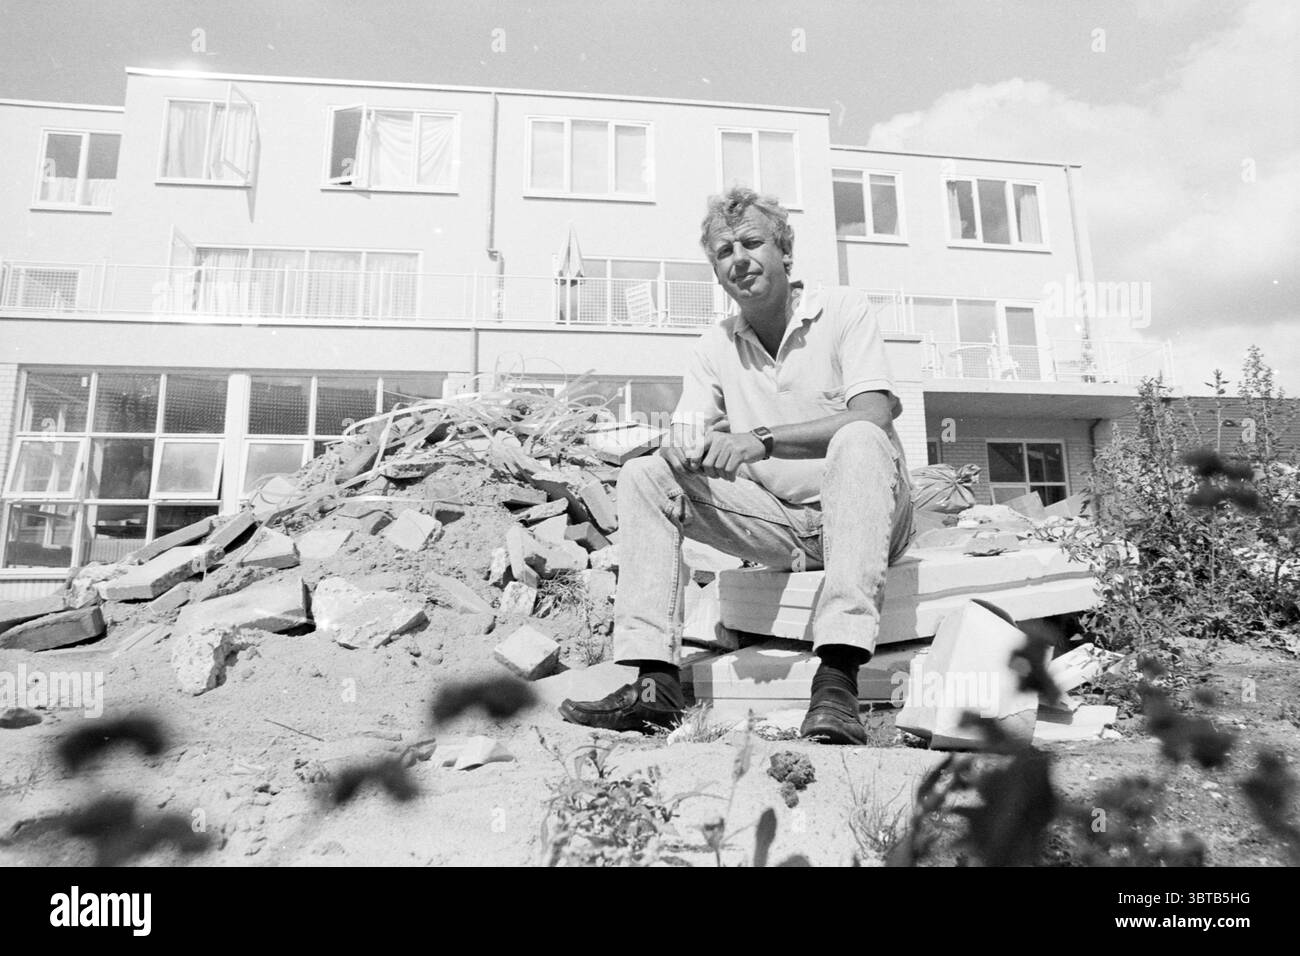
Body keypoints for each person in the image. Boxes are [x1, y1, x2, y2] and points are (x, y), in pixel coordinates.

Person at [560, 186, 915, 744]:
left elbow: (874, 411)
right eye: (724, 253)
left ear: (785, 253)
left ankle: (837, 685)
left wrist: (759, 440)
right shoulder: (713, 346)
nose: (739, 259)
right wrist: (680, 446)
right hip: (786, 526)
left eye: (752, 243)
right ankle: (656, 686)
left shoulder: (842, 309)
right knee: (645, 475)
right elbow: (685, 429)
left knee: (861, 437)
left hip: (872, 518)